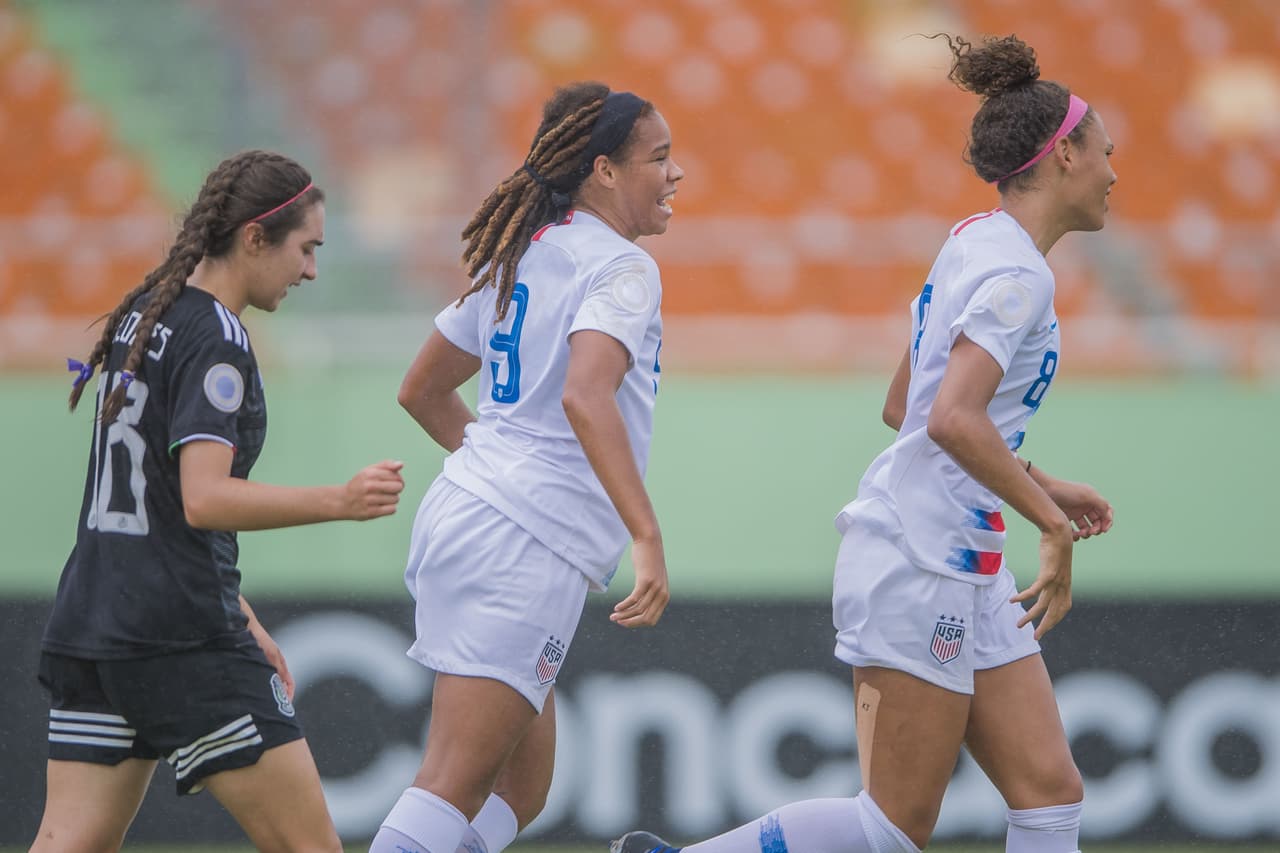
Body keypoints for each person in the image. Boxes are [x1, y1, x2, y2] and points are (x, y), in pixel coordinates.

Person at [613, 33, 1116, 853]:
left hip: (961, 553)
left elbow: (905, 406)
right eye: (1104, 151)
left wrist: (1038, 482)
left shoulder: (975, 239)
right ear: (1063, 159)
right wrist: (1050, 526)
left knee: (1050, 792)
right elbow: (949, 419)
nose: (1114, 172)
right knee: (891, 826)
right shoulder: (1019, 274)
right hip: (920, 554)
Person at [32, 149, 406, 853]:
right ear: (255, 238)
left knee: (67, 841)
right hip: (179, 636)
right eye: (305, 248)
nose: (311, 270)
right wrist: (341, 499)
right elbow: (202, 499)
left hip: (95, 621)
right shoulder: (218, 337)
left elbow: (158, 508)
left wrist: (241, 608)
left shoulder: (147, 311)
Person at [371, 81, 683, 853]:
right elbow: (586, 394)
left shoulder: (526, 249)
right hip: (522, 541)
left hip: (473, 518)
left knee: (522, 788)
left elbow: (424, 389)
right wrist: (646, 533)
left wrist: (494, 475)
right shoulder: (623, 266)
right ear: (605, 170)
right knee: (451, 780)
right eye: (661, 157)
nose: (675, 174)